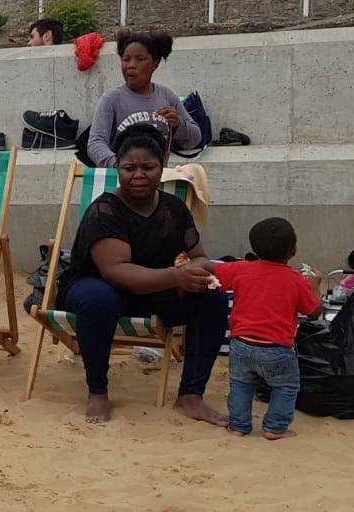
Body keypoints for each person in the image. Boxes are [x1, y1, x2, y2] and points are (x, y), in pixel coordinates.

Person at [59, 124, 228, 426]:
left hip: (152, 289)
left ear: (161, 169)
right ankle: (98, 392)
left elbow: (199, 254)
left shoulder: (173, 209)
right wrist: (175, 277)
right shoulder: (105, 211)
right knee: (99, 299)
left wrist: (196, 273)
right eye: (129, 168)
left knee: (211, 296)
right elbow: (115, 272)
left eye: (148, 167)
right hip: (94, 286)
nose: (138, 175)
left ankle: (191, 395)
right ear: (118, 170)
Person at [211, 218, 322, 440]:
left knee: (241, 384)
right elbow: (314, 312)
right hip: (277, 348)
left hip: (240, 344)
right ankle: (275, 427)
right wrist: (315, 286)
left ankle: (238, 425)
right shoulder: (297, 280)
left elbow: (215, 274)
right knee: (286, 386)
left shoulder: (241, 269)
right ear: (293, 250)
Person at [86, 29, 202, 167]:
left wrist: (177, 124)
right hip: (122, 182)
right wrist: (119, 166)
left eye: (140, 59)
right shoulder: (111, 99)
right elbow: (95, 143)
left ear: (155, 64)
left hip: (157, 182)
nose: (131, 65)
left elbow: (195, 139)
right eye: (126, 59)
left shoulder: (167, 95)